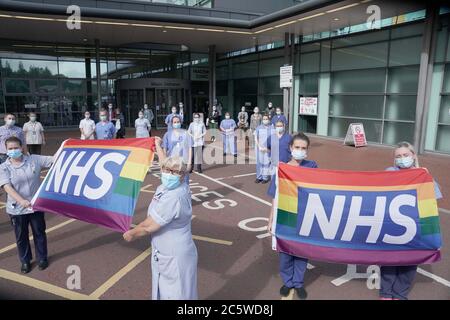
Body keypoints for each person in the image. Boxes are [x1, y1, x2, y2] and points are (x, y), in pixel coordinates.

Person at [123, 150, 198, 300]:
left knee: (177, 295)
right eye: (166, 170)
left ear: (183, 176)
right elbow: (168, 164)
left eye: (175, 172)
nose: (169, 174)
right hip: (164, 253)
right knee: (164, 292)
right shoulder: (166, 187)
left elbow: (148, 226)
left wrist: (130, 233)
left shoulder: (174, 196)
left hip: (175, 256)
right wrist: (158, 147)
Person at [379, 141, 443, 300]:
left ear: (413, 156)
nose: (402, 159)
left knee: (410, 261)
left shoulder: (423, 174)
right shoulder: (389, 171)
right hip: (391, 225)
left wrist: (426, 178)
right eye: (398, 156)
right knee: (389, 261)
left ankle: (400, 294)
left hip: (415, 228)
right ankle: (386, 293)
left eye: (405, 155)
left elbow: (432, 203)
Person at [267, 132, 318, 300]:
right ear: (290, 148)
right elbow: (276, 196)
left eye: (304, 148)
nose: (300, 151)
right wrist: (271, 219)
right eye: (297, 147)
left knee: (302, 252)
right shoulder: (281, 169)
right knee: (286, 253)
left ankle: (298, 283)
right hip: (286, 214)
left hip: (305, 216)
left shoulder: (312, 167)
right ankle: (288, 282)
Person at [0, 136, 55, 273]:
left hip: (35, 206)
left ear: (22, 147)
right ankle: (25, 261)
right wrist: (21, 201)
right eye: (10, 149)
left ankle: (42, 258)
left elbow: (55, 159)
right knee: (21, 236)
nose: (13, 150)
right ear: (6, 150)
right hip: (17, 209)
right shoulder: (3, 168)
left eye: (16, 148)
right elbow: (7, 187)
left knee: (39, 233)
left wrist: (67, 146)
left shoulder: (34, 159)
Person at [162, 116, 192, 182]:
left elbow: (190, 148)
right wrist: (164, 162)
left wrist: (189, 163)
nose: (176, 123)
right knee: (172, 182)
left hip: (183, 162)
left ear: (180, 123)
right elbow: (164, 149)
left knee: (184, 182)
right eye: (175, 122)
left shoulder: (186, 133)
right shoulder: (167, 135)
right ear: (172, 124)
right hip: (172, 163)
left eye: (178, 122)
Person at [254, 115, 273, 184]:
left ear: (269, 119)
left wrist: (269, 148)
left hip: (268, 149)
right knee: (259, 163)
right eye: (264, 119)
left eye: (266, 119)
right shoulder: (259, 127)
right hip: (260, 149)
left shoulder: (272, 128)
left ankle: (265, 178)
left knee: (266, 163)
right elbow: (256, 138)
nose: (265, 120)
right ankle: (259, 177)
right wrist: (259, 146)